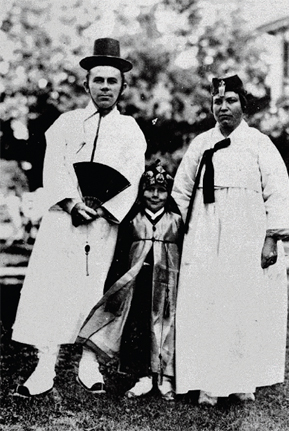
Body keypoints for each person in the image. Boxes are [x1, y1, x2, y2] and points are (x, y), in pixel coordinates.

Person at [11, 38, 146, 397]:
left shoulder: (130, 131)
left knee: (95, 289)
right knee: (51, 288)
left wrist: (102, 207)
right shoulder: (66, 123)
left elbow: (130, 178)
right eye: (98, 80)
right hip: (64, 220)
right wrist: (72, 204)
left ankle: (90, 361)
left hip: (103, 224)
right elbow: (53, 168)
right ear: (86, 84)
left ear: (123, 86)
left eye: (112, 81)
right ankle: (45, 365)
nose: (105, 87)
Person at [171, 75, 289, 406]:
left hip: (246, 233)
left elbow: (278, 194)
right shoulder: (201, 144)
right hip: (203, 234)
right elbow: (181, 191)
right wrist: (172, 231)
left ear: (243, 105)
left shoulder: (258, 144)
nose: (223, 107)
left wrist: (271, 239)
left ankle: (242, 380)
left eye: (231, 101)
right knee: (204, 301)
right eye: (217, 101)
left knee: (242, 302)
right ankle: (205, 381)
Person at [77, 161, 182, 401]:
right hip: (138, 283)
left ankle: (165, 378)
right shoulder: (132, 219)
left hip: (169, 284)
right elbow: (121, 254)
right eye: (149, 189)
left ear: (169, 193)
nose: (155, 195)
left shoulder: (176, 220)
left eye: (162, 190)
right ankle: (142, 376)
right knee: (138, 326)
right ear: (141, 190)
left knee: (167, 325)